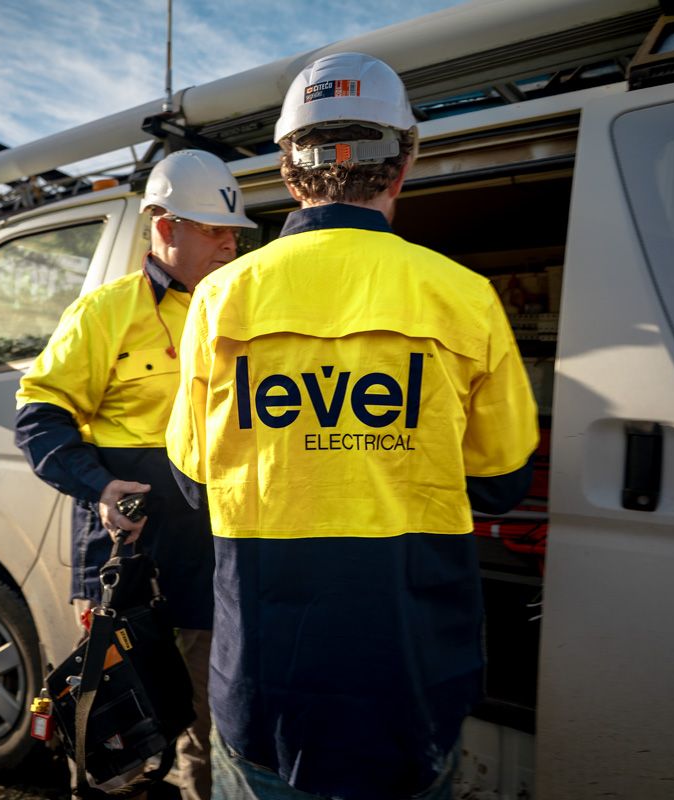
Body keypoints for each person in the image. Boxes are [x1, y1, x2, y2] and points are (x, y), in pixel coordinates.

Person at [166, 53, 539, 800]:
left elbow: (194, 477)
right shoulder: (465, 299)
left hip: (267, 694)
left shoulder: (219, 299)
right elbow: (500, 483)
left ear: (287, 169)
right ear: (402, 165)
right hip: (409, 690)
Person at [15, 148, 257, 800]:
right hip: (121, 562)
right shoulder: (103, 314)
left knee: (208, 730)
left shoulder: (244, 317)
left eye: (234, 231)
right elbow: (40, 422)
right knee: (118, 733)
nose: (231, 243)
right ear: (163, 224)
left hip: (210, 559)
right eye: (214, 228)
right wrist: (97, 487)